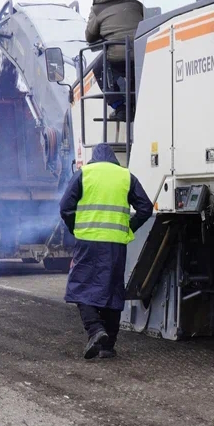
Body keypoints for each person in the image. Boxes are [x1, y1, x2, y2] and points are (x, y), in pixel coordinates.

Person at [59, 143, 154, 360]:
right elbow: (145, 208)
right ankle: (108, 345)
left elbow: (64, 207)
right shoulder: (125, 176)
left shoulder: (84, 174)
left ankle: (95, 330)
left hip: (88, 242)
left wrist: (76, 228)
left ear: (94, 158)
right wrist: (129, 227)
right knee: (112, 289)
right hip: (115, 245)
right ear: (113, 159)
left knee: (80, 286)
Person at [85, 0, 144, 121]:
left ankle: (120, 107)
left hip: (117, 54)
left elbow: (89, 36)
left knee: (100, 68)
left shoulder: (96, 9)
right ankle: (136, 100)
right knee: (133, 68)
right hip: (143, 50)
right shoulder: (135, 3)